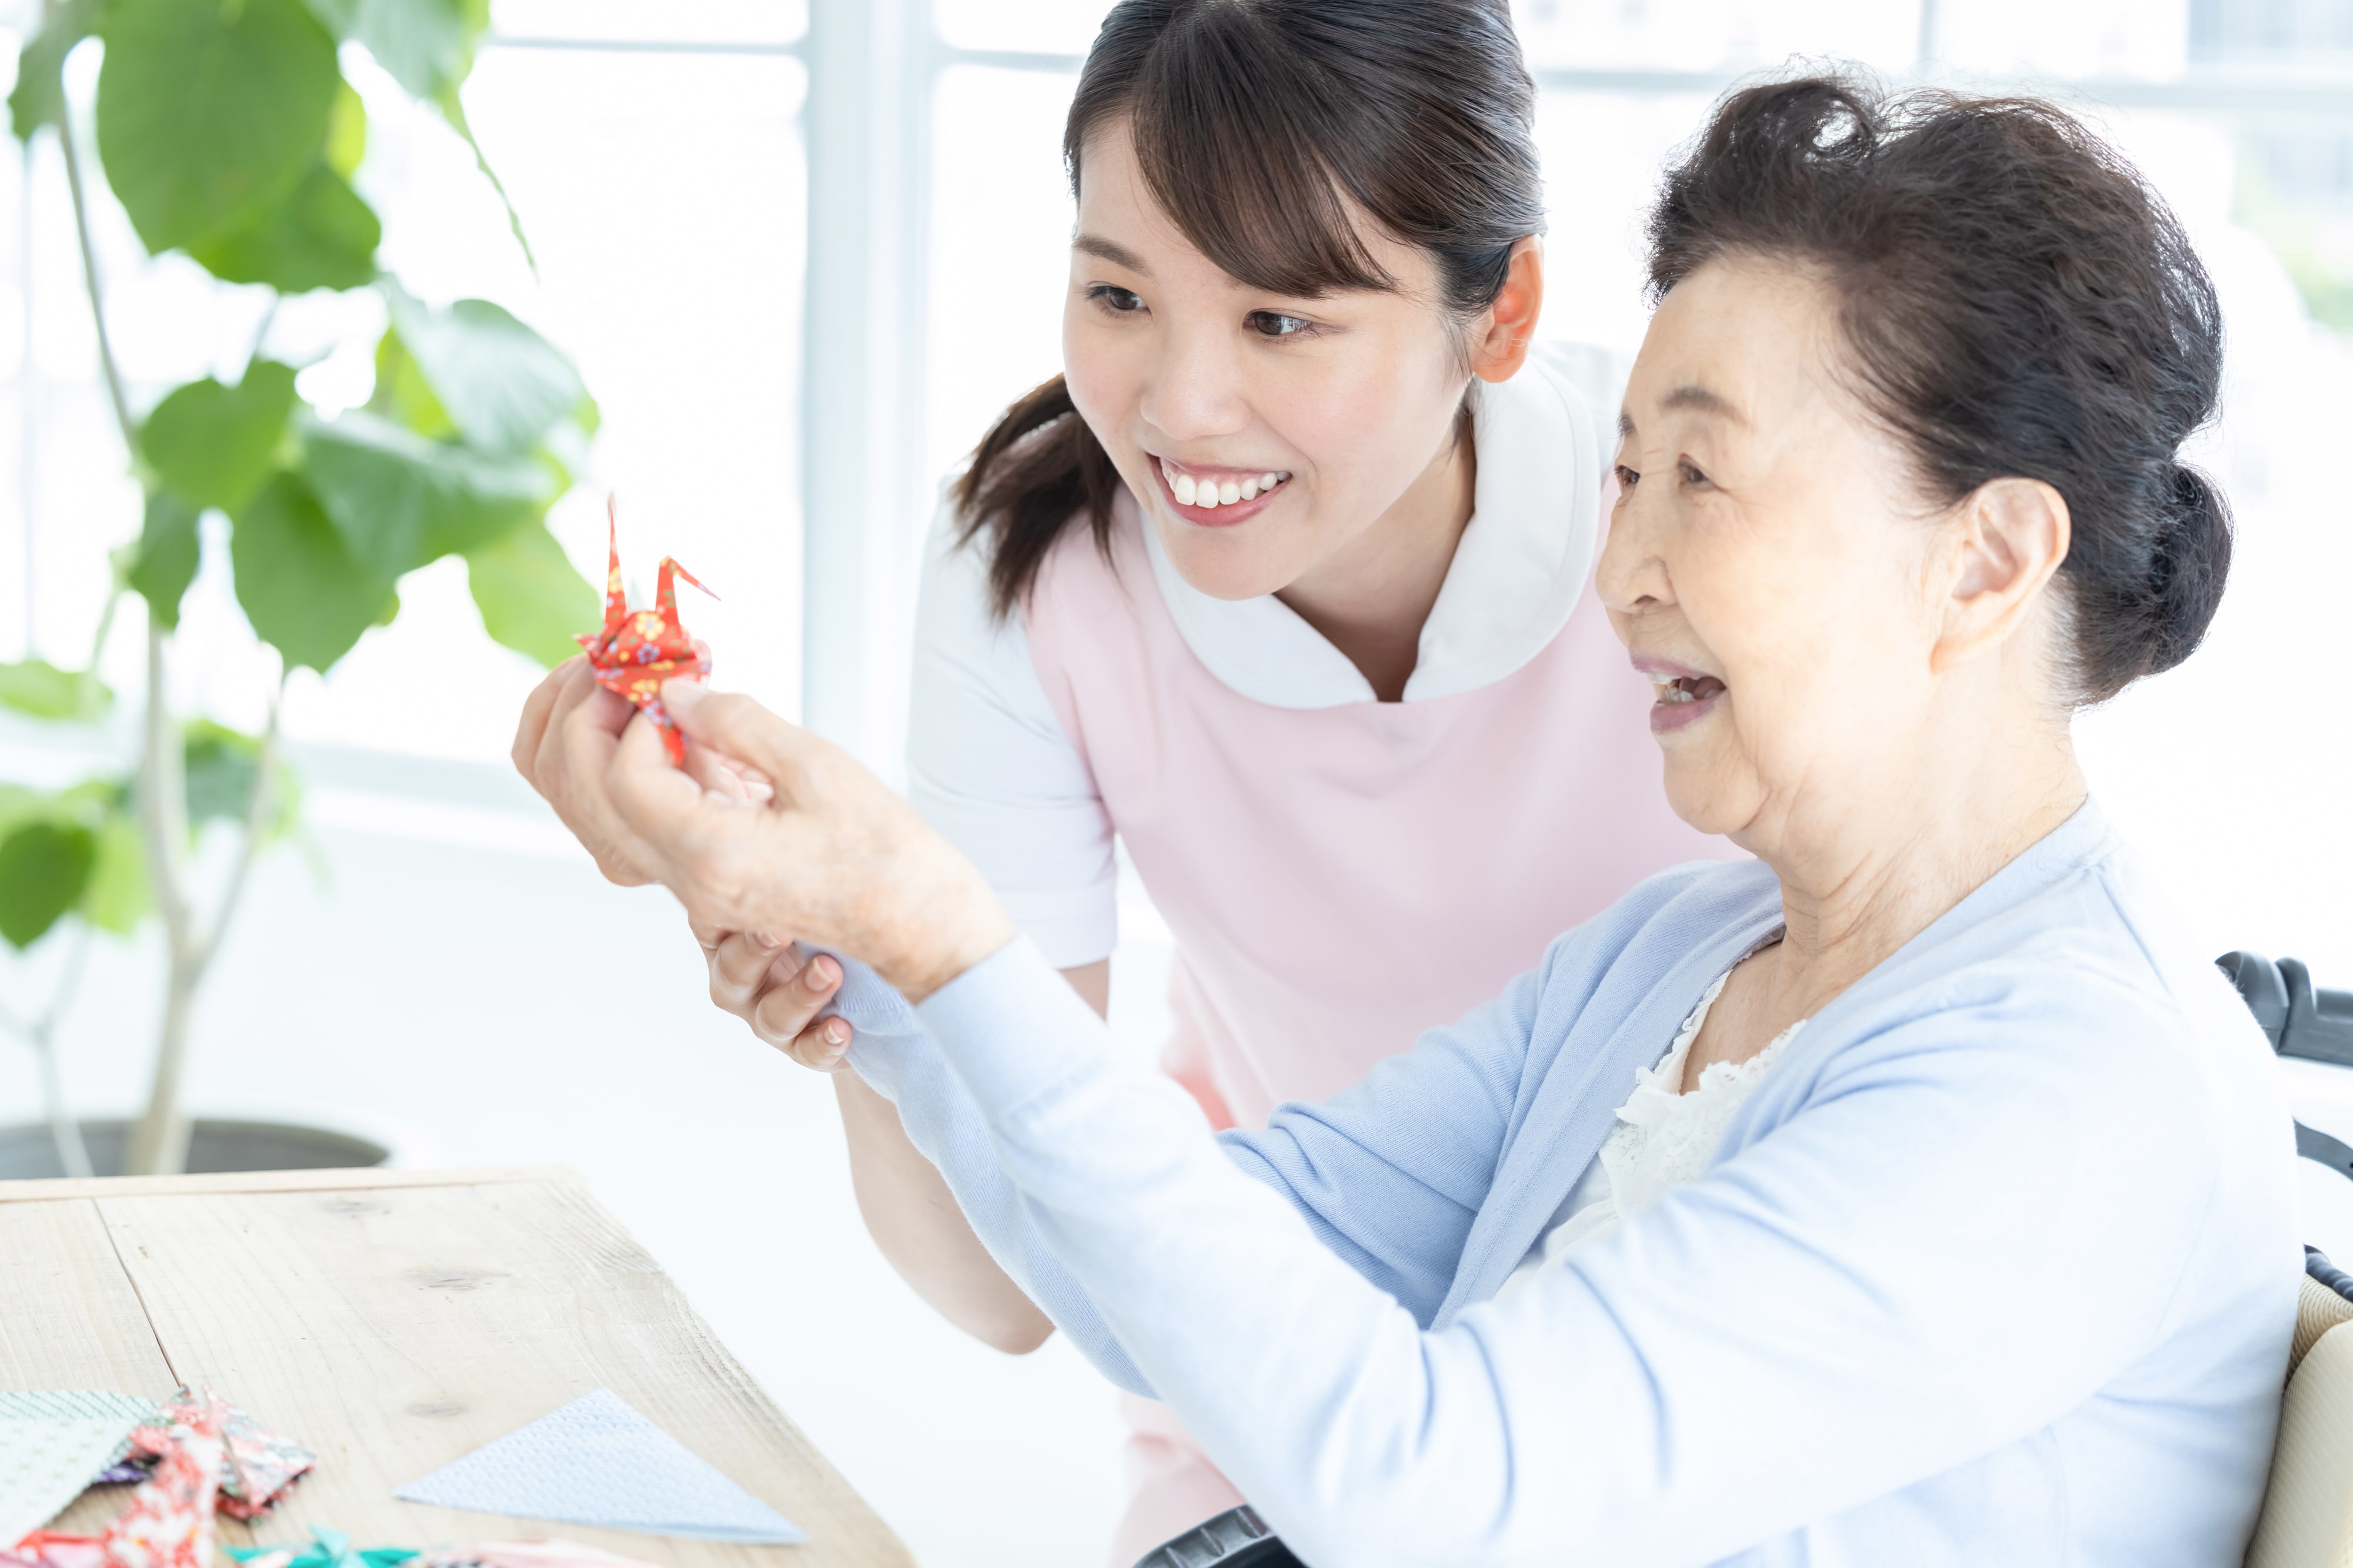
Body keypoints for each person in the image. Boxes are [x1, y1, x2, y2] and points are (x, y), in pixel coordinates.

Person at [518, 76, 2302, 1567]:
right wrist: (869, 964)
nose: (1622, 569)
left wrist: (933, 929)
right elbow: (1187, 1279)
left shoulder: (2073, 1079)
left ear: (1985, 557)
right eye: (1621, 475)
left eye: (1698, 476)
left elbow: (1443, 1491)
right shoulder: (1679, 956)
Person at [535, 4, 1731, 1557]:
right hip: (1263, 1430)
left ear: (1500, 316)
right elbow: (1008, 1294)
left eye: (1281, 322)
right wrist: (845, 959)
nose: (1178, 406)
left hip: (1671, 1438)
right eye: (1118, 292)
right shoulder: (1037, 573)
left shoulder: (1685, 524)